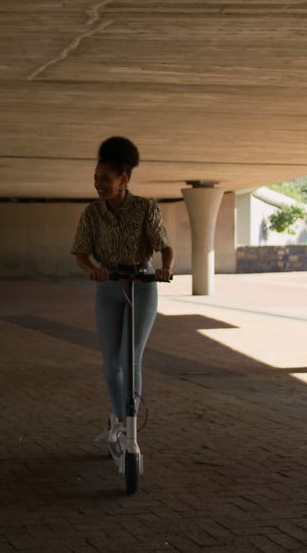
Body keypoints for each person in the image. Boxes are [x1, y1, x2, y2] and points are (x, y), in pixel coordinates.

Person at [70, 136, 173, 451]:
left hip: (141, 284)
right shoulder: (92, 213)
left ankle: (131, 428)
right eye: (96, 179)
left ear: (123, 180)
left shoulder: (145, 208)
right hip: (108, 286)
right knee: (111, 360)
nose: (99, 185)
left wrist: (165, 268)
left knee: (132, 358)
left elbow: (164, 246)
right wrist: (94, 269)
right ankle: (118, 421)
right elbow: (81, 252)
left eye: (105, 179)